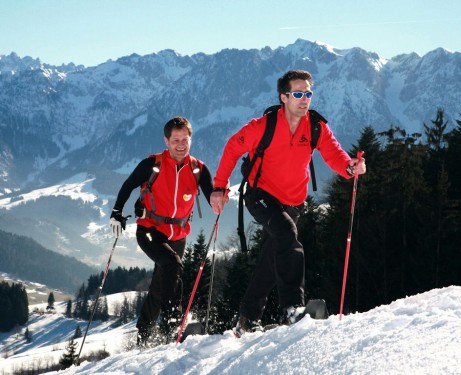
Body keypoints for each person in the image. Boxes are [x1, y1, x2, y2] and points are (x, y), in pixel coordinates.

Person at [210, 70, 366, 336]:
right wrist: (219, 187)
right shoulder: (263, 125)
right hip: (261, 196)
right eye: (298, 94)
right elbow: (232, 147)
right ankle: (293, 308)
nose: (305, 99)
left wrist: (350, 168)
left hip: (294, 202)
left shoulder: (316, 127)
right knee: (287, 235)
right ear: (284, 97)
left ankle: (247, 318)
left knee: (273, 258)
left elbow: (334, 155)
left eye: (308, 93)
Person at [110, 116, 214, 347]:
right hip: (149, 229)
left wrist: (222, 195)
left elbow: (213, 196)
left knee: (161, 283)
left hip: (178, 233)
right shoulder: (152, 164)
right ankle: (172, 322)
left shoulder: (198, 169)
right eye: (175, 139)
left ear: (190, 139)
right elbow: (128, 185)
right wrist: (116, 212)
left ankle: (144, 334)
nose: (180, 144)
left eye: (185, 139)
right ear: (166, 140)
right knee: (172, 264)